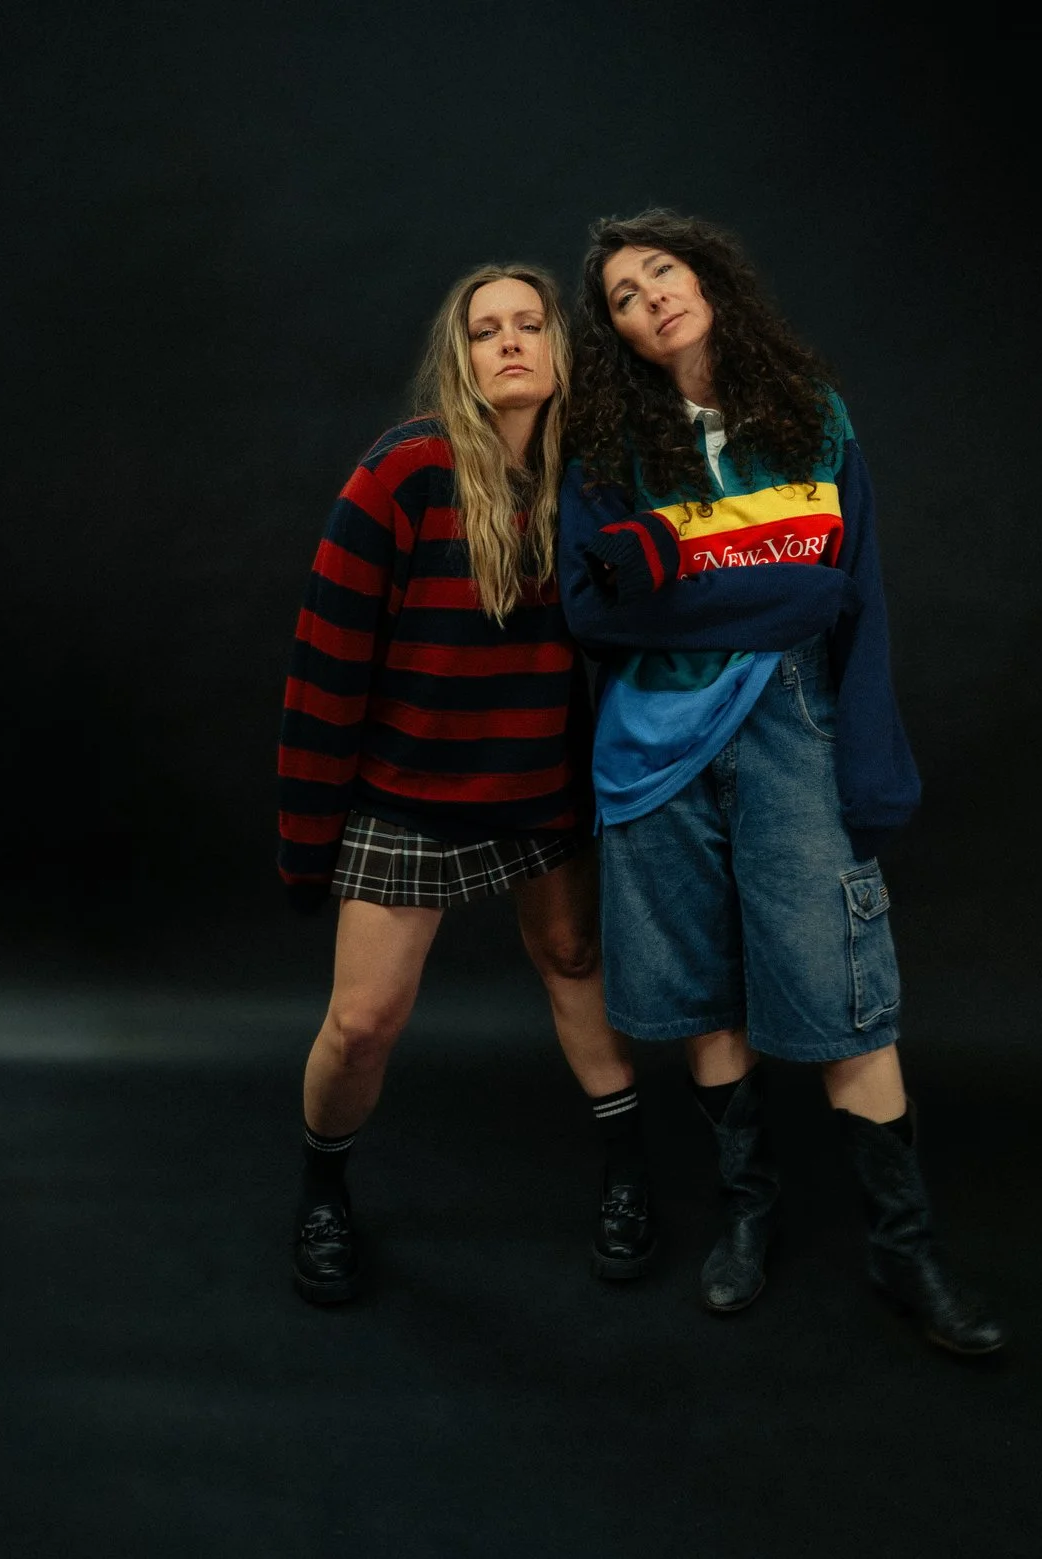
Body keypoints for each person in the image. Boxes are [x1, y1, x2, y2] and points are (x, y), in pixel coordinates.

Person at [556, 209, 1004, 1355]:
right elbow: (594, 611)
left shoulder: (812, 416)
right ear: (616, 335)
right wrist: (783, 591)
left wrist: (685, 577)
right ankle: (747, 1215)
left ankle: (904, 1248)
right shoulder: (606, 449)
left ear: (708, 278)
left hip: (794, 727)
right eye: (622, 296)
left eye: (663, 270)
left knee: (844, 995)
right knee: (706, 997)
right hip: (651, 751)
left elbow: (854, 598)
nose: (651, 296)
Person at [275, 263, 653, 1305]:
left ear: (560, 348)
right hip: (407, 791)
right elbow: (324, 668)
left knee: (575, 958)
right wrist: (308, 844)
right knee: (362, 1022)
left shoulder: (590, 483)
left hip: (537, 783)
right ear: (462, 358)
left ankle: (628, 1174)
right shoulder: (401, 475)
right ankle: (322, 1190)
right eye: (487, 331)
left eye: (530, 323)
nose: (511, 342)